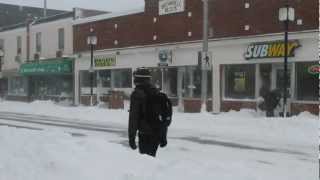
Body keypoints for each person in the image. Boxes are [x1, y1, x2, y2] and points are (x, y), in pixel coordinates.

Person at [128, 68, 167, 157]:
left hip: (144, 133)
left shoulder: (137, 94)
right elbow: (163, 115)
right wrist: (163, 137)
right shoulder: (156, 91)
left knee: (145, 162)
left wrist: (131, 139)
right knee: (151, 159)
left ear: (137, 79)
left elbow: (133, 118)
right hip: (156, 133)